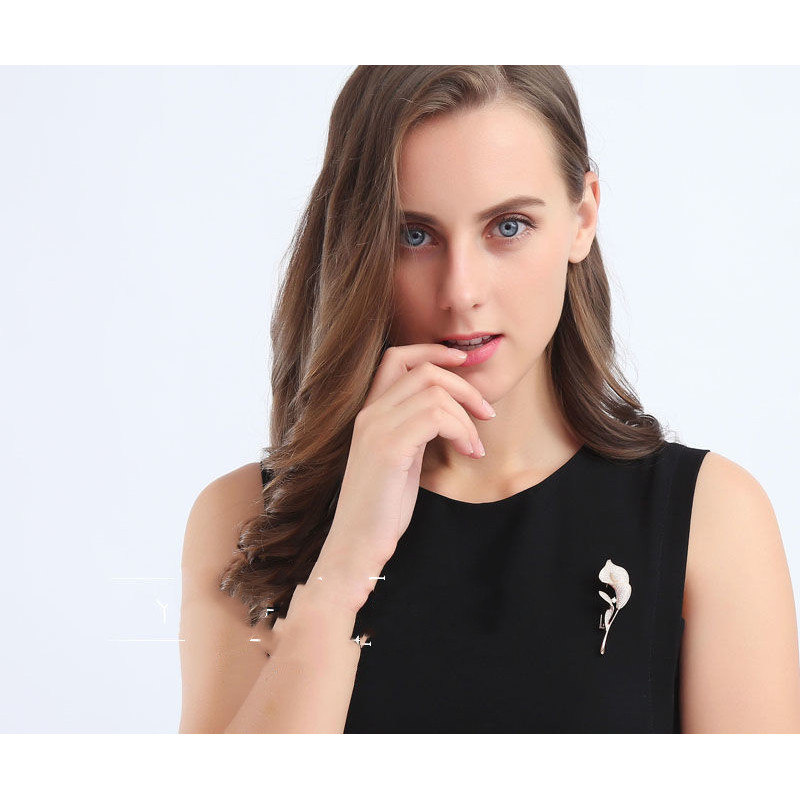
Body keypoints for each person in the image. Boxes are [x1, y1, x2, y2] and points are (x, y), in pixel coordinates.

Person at [178, 66, 800, 733]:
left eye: (508, 226)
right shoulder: (250, 521)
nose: (461, 291)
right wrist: (344, 565)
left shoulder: (710, 517)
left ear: (583, 216)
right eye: (413, 234)